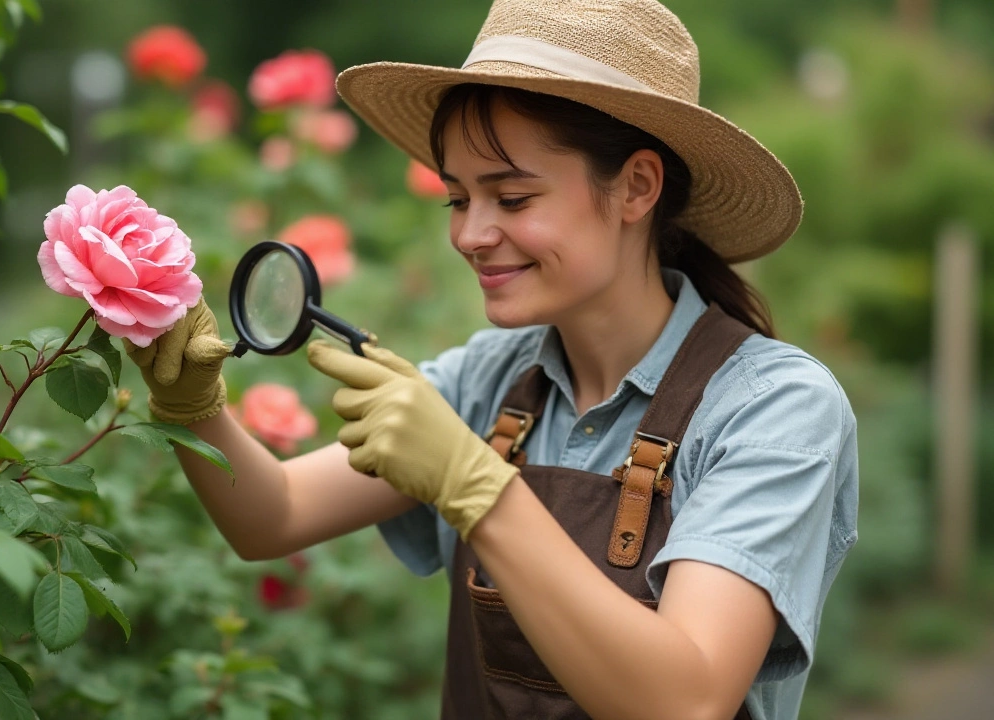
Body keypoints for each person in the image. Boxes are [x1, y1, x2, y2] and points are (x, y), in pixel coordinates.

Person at [125, 1, 859, 718]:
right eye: (457, 199)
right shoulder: (490, 379)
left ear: (637, 186)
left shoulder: (773, 408)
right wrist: (195, 408)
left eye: (511, 197)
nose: (472, 234)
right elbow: (273, 517)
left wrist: (476, 486)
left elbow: (687, 699)